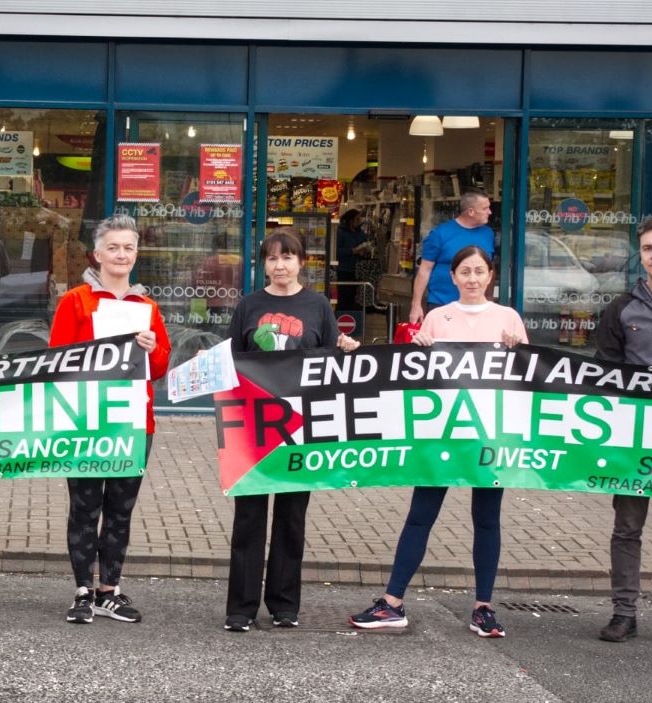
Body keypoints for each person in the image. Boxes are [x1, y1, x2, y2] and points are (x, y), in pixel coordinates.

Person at [350, 245, 525, 638]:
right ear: (453, 276)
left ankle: (484, 607)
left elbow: (524, 379)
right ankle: (393, 602)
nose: (473, 278)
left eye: (480, 271)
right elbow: (415, 377)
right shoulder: (437, 318)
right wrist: (419, 348)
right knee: (420, 515)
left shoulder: (508, 318)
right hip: (441, 433)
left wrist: (519, 350)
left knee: (487, 520)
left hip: (488, 436)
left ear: (491, 275)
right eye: (465, 271)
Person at [224, 230, 360, 633]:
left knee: (291, 517)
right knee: (248, 517)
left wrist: (349, 349)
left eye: (288, 257)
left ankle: (284, 604)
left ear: (302, 261)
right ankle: (241, 608)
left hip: (303, 425)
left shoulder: (317, 305)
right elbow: (233, 357)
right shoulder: (249, 304)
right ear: (263, 264)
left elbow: (334, 360)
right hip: (253, 424)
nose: (280, 266)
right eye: (272, 259)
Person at [49, 213, 170, 624]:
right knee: (84, 508)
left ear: (137, 255)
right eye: (113, 247)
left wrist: (152, 349)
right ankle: (83, 589)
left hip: (133, 422)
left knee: (120, 509)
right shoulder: (76, 302)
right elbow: (56, 361)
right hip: (86, 420)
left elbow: (159, 369)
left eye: (129, 247)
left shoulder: (148, 307)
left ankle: (110, 590)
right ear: (97, 254)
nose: (121, 254)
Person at [595, 215, 652, 645]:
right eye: (647, 248)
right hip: (635, 436)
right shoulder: (620, 310)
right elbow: (605, 376)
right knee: (627, 526)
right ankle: (623, 612)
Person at [409, 189, 494, 324]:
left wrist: (490, 299)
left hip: (477, 306)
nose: (490, 212)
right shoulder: (440, 234)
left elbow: (489, 268)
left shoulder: (488, 234)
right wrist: (416, 305)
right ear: (471, 211)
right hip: (442, 303)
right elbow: (424, 270)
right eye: (485, 208)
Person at [335, 208, 369, 310]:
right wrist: (352, 251)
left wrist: (365, 250)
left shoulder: (360, 232)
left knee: (354, 297)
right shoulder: (341, 232)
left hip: (357, 269)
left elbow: (365, 242)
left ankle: (352, 317)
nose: (359, 222)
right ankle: (342, 317)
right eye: (357, 219)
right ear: (351, 220)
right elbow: (336, 251)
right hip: (344, 269)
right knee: (344, 297)